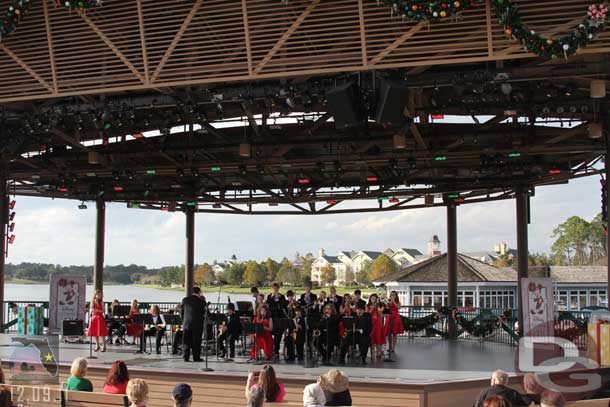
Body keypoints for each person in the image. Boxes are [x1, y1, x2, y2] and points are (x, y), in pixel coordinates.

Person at [181, 287, 207, 362]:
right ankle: (196, 357)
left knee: (186, 341)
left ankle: (186, 357)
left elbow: (182, 312)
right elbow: (204, 313)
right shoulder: (202, 302)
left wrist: (184, 321)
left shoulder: (185, 300)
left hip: (187, 323)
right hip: (197, 324)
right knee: (196, 341)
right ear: (199, 292)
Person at [266, 282, 287, 358]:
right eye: (274, 288)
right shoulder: (269, 296)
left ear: (278, 288)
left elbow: (284, 306)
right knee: (271, 334)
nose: (275, 289)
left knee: (278, 335)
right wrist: (272, 297)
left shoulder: (282, 297)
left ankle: (276, 351)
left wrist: (279, 298)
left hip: (280, 318)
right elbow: (267, 305)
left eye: (276, 288)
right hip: (272, 318)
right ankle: (271, 350)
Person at [367, 294, 384, 362]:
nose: (373, 299)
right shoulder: (367, 306)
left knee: (378, 339)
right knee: (372, 340)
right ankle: (372, 353)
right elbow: (367, 314)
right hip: (371, 324)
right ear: (370, 299)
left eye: (374, 298)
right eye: (372, 298)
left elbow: (381, 315)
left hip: (378, 324)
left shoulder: (379, 305)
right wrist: (372, 308)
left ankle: (379, 353)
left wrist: (378, 308)